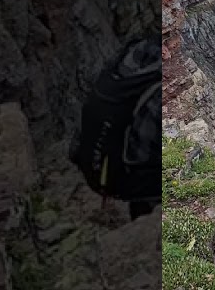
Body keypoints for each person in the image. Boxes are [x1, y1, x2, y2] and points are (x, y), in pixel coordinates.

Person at [69, 37, 161, 221]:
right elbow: (144, 154)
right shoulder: (159, 93)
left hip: (90, 161)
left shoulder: (139, 51)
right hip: (121, 177)